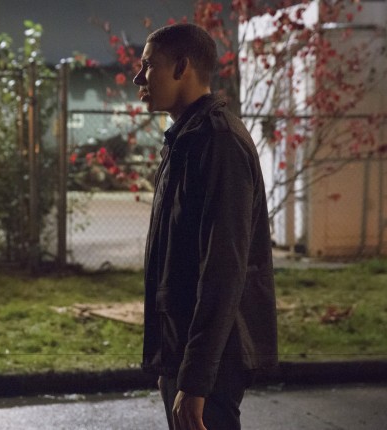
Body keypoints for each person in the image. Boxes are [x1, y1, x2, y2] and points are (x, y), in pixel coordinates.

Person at [133, 23, 277, 430]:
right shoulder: (187, 139)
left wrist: (196, 379)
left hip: (212, 359)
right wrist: (169, 360)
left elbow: (223, 269)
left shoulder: (218, 142)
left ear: (182, 67)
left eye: (148, 65)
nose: (138, 77)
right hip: (186, 351)